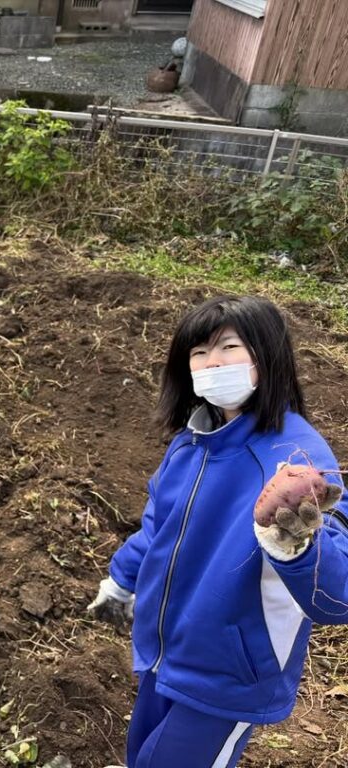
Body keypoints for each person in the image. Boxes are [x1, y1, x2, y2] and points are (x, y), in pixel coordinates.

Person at [87, 295, 348, 768]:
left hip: (227, 674)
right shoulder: (191, 443)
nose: (212, 363)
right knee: (141, 756)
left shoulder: (299, 461)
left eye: (228, 347)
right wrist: (121, 580)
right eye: (199, 352)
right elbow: (158, 527)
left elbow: (337, 598)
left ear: (266, 357)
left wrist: (296, 549)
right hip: (165, 652)